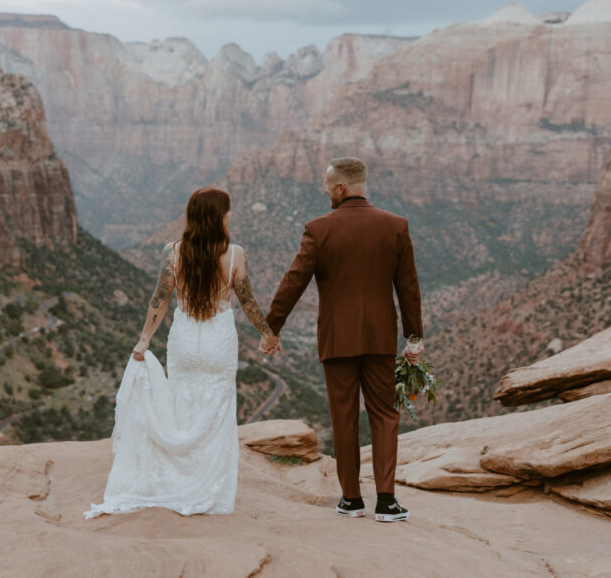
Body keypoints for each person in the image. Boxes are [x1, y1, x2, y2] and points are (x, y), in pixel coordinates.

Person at [84, 187, 279, 518]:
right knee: (217, 411)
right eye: (227, 211)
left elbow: (159, 300)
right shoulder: (235, 254)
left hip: (185, 340)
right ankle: (209, 489)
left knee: (181, 408)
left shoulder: (173, 252)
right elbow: (247, 301)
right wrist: (267, 335)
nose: (231, 215)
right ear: (219, 217)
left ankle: (175, 479)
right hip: (219, 341)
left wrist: (144, 340)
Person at [264, 157, 423, 522]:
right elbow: (409, 288)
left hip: (336, 339)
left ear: (342, 188)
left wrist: (272, 329)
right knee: (385, 415)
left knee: (344, 417)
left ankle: (351, 499)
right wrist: (414, 339)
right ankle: (387, 501)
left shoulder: (319, 229)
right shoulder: (395, 226)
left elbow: (293, 282)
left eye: (327, 184)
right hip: (381, 337)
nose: (324, 190)